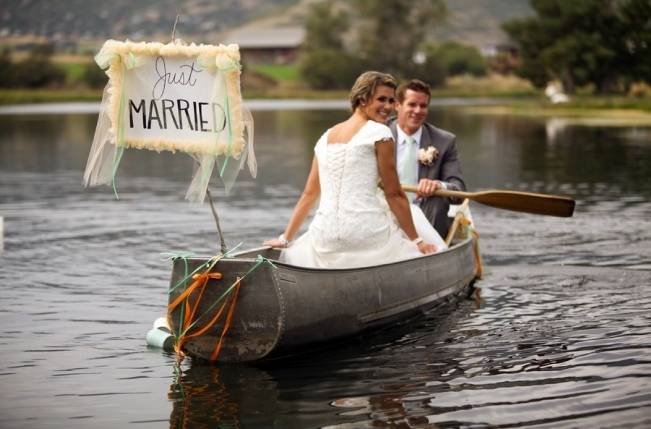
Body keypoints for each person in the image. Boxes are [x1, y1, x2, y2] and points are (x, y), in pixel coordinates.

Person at [264, 71, 447, 268]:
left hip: (324, 238)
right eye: (381, 99)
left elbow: (309, 194)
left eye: (391, 101)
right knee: (416, 217)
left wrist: (285, 238)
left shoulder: (325, 136)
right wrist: (417, 242)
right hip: (365, 235)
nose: (388, 107)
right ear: (362, 98)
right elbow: (394, 194)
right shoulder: (380, 132)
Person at [388, 79, 465, 239]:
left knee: (438, 198)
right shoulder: (378, 135)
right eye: (412, 104)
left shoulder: (444, 141)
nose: (418, 111)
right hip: (385, 213)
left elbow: (459, 191)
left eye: (423, 106)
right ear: (397, 105)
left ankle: (432, 251)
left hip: (426, 218)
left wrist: (438, 185)